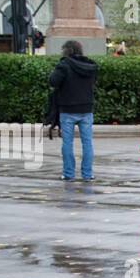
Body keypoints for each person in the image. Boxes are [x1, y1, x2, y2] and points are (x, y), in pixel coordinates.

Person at [49, 39, 98, 181]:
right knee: (87, 142)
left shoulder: (64, 65)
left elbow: (52, 81)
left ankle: (69, 174)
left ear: (66, 50)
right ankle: (87, 174)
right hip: (86, 108)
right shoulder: (90, 65)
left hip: (67, 109)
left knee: (67, 143)